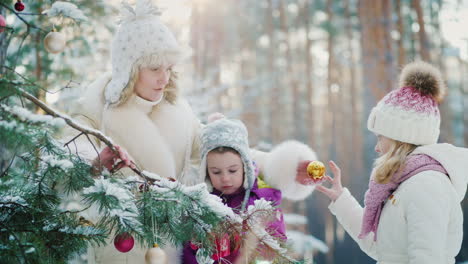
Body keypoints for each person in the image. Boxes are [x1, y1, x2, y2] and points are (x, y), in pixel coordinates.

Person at [65, 1, 317, 263]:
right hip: (122, 247)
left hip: (175, 246)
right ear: (129, 68)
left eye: (168, 69)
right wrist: (94, 164)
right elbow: (64, 158)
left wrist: (284, 167)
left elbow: (224, 152)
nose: (164, 78)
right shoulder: (98, 108)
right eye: (154, 69)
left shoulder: (179, 111)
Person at [315, 61, 468, 264]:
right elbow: (381, 249)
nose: (377, 148)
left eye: (380, 137)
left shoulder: (427, 185)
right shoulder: (403, 183)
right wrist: (341, 199)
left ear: (400, 137)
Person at [182, 118, 287, 264]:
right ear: (205, 172)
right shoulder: (201, 205)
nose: (225, 178)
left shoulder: (263, 201)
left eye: (232, 170)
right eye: (216, 172)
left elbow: (277, 246)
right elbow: (190, 252)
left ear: (245, 166)